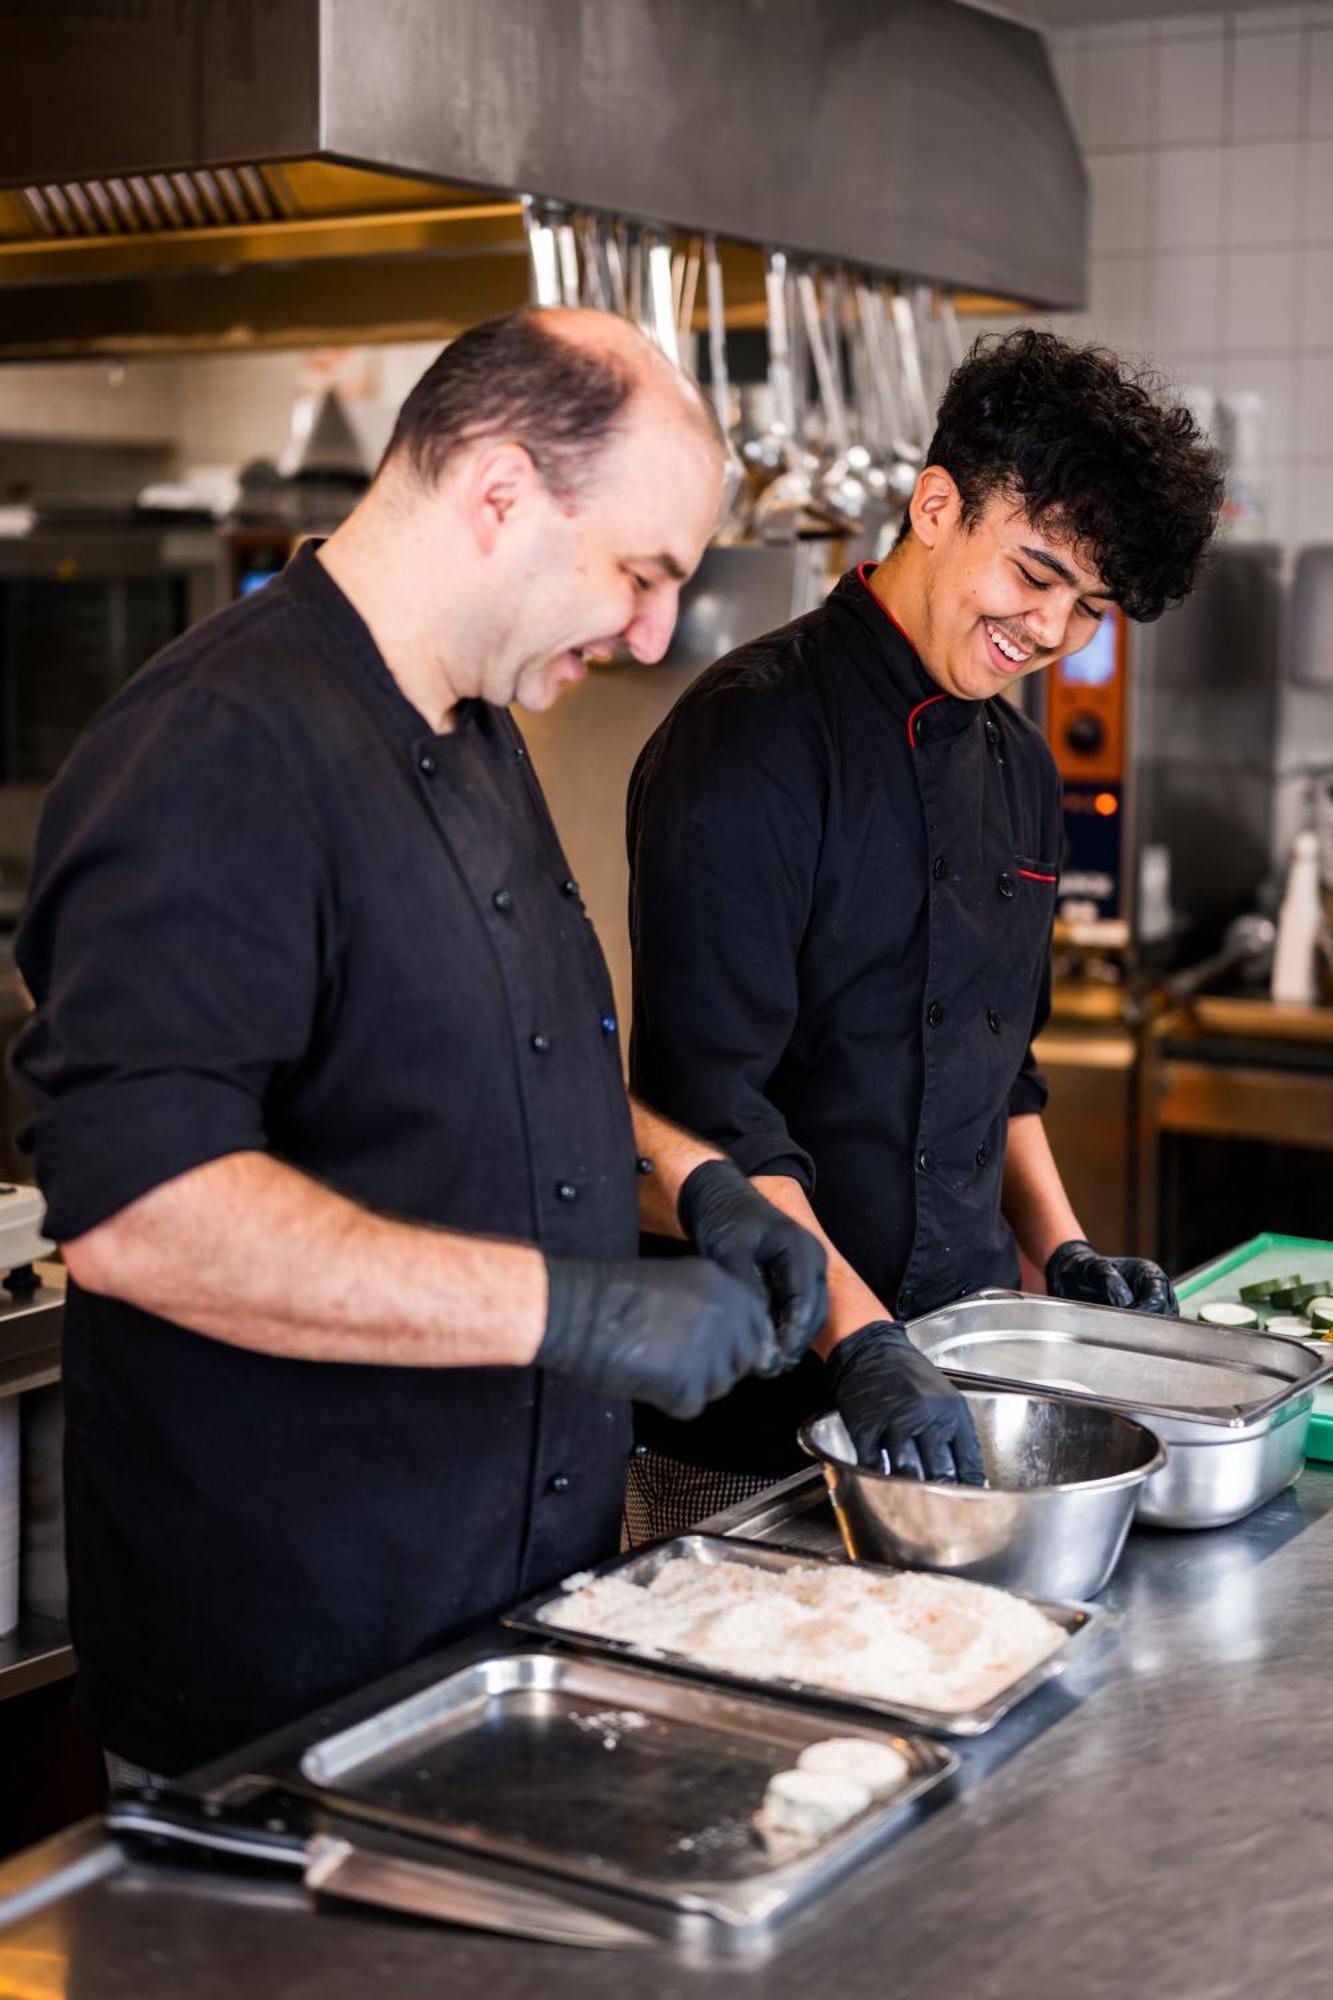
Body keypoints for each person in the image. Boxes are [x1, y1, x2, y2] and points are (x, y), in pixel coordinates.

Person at [11, 308, 828, 1779]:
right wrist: (572, 1314)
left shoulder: (477, 727)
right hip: (290, 1689)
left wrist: (693, 1188)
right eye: (642, 575)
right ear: (500, 491)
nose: (653, 634)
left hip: (501, 1636)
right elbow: (144, 1218)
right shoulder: (218, 747)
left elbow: (491, 1073)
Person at [625, 329, 1224, 1531]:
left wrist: (1060, 1253)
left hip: (964, 1385)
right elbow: (708, 1114)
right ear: (936, 504)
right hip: (750, 1416)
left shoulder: (1020, 765)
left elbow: (1001, 1064)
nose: (1051, 630)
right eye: (1035, 573)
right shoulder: (750, 740)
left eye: (1089, 606)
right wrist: (864, 1341)